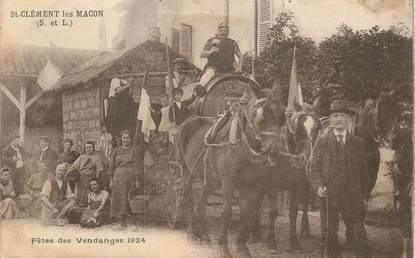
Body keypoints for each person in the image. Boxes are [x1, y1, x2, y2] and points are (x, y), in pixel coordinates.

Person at [308, 100, 371, 258]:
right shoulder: (322, 141)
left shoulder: (358, 143)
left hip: (353, 196)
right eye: (335, 116)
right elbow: (314, 168)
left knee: (358, 231)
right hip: (329, 195)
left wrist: (364, 196)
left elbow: (365, 173)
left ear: (348, 119)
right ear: (330, 119)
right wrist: (319, 186)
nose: (339, 119)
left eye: (342, 116)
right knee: (330, 233)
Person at [108, 130, 142, 227]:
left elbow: (136, 165)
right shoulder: (116, 151)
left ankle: (134, 222)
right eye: (124, 138)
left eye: (128, 138)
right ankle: (123, 222)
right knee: (119, 198)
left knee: (131, 198)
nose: (125, 140)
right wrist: (111, 180)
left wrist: (137, 180)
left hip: (130, 176)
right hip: (118, 176)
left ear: (130, 139)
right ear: (121, 139)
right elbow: (111, 166)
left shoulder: (134, 150)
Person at [105, 65, 137, 147]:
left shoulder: (128, 83)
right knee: (115, 131)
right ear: (120, 72)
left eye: (127, 72)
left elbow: (129, 97)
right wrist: (129, 85)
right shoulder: (115, 80)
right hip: (116, 110)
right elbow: (118, 91)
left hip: (125, 110)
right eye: (124, 72)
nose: (126, 74)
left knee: (126, 129)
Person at [66, 141, 103, 208]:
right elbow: (74, 166)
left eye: (90, 147)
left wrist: (97, 179)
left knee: (89, 193)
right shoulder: (81, 157)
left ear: (93, 148)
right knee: (80, 193)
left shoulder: (96, 157)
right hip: (81, 178)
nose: (88, 149)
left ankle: (88, 206)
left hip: (91, 179)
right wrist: (69, 171)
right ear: (85, 149)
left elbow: (99, 169)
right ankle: (79, 207)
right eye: (87, 148)